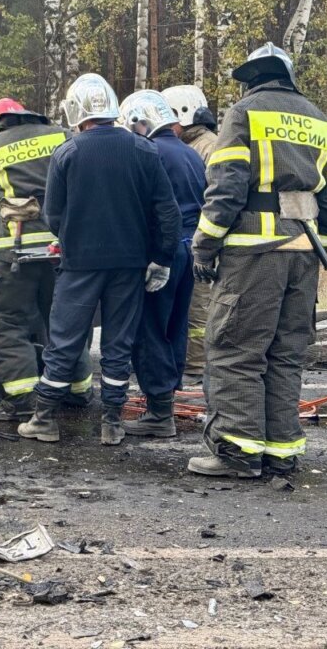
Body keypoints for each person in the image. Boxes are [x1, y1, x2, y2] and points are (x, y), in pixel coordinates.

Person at [188, 43, 327, 478]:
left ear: (250, 79)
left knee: (236, 349)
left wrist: (205, 245)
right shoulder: (320, 120)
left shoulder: (244, 113)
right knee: (285, 352)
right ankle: (281, 450)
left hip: (254, 256)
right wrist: (319, 246)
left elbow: (227, 187)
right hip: (304, 256)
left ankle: (236, 452)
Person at [18, 74, 181, 445]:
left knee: (65, 340)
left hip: (80, 266)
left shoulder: (68, 152)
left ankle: (44, 419)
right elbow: (167, 213)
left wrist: (72, 239)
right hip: (130, 266)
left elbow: (53, 214)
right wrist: (161, 258)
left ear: (77, 112)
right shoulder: (144, 150)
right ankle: (112, 422)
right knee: (118, 345)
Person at [0, 98, 93, 422]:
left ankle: (24, 401)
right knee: (65, 324)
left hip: (16, 257)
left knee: (6, 322)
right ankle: (77, 392)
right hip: (64, 253)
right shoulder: (63, 137)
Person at [119, 90, 205, 438]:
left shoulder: (150, 153)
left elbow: (145, 209)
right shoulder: (190, 154)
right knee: (175, 326)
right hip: (189, 251)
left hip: (162, 254)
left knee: (150, 328)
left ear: (142, 122)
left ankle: (158, 411)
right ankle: (165, 396)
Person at [162, 85, 219, 388]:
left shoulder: (207, 146)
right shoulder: (195, 144)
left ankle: (195, 365)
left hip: (199, 238)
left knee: (197, 306)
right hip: (192, 237)